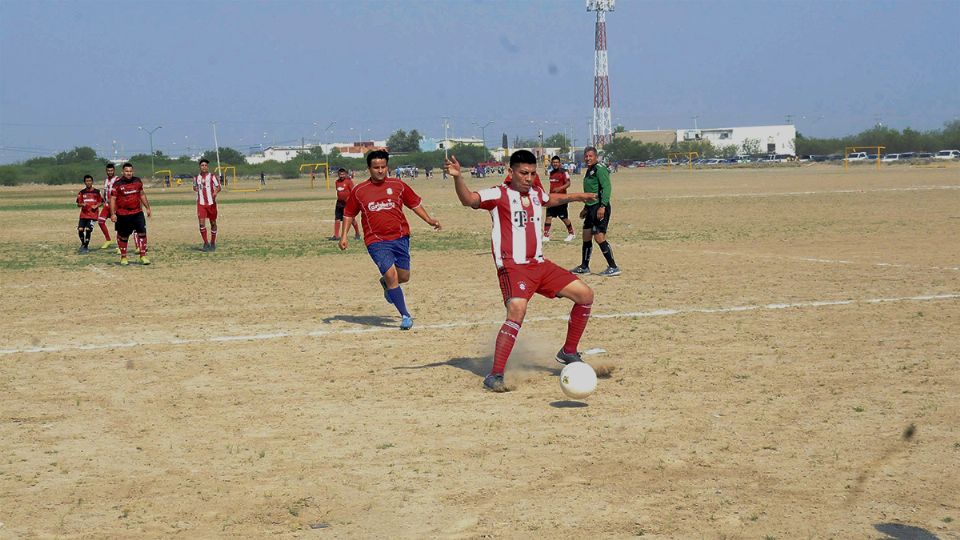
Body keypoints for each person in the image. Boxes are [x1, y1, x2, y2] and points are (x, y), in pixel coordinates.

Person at [446, 150, 597, 393]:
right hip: (513, 267)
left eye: (532, 173)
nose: (528, 178)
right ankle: (495, 375)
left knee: (585, 295)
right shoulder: (499, 194)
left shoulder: (536, 193)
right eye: (523, 173)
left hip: (540, 265)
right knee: (517, 310)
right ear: (511, 171)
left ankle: (568, 351)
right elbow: (469, 200)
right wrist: (457, 178)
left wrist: (579, 197)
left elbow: (550, 199)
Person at [339, 150, 441, 330]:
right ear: (369, 168)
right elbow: (348, 213)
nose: (380, 170)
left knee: (404, 276)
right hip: (376, 241)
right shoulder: (360, 191)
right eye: (376, 167)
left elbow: (414, 204)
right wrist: (344, 235)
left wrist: (429, 220)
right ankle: (405, 315)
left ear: (388, 167)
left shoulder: (398, 185)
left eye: (383, 167)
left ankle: (387, 285)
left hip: (400, 237)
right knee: (392, 275)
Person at [571, 146, 620, 276]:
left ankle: (613, 267)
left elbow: (606, 188)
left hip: (599, 207)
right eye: (586, 156)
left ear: (596, 157)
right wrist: (586, 208)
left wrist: (602, 206)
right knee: (586, 235)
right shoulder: (589, 170)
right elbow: (590, 192)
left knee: (599, 236)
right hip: (591, 207)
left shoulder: (600, 169)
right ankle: (584, 266)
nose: (588, 158)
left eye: (590, 156)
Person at [109, 163, 152, 266]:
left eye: (130, 171)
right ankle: (123, 257)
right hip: (123, 214)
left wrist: (148, 208)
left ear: (133, 171)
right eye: (126, 171)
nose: (129, 173)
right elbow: (113, 199)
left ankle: (143, 256)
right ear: (123, 172)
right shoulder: (117, 184)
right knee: (124, 236)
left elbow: (141, 194)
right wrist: (112, 214)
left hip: (137, 212)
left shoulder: (137, 181)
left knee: (142, 233)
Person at [543, 155, 577, 243]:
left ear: (559, 163)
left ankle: (571, 233)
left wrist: (560, 188)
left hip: (561, 199)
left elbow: (568, 183)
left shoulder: (564, 172)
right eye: (554, 162)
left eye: (557, 162)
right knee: (548, 216)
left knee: (564, 218)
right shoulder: (551, 173)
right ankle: (546, 235)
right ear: (552, 163)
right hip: (552, 198)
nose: (555, 164)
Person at [194, 158, 221, 251]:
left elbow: (218, 187)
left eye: (205, 165)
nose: (204, 167)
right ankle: (206, 243)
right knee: (201, 224)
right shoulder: (196, 178)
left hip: (211, 203)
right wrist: (197, 190)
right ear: (200, 167)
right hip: (201, 204)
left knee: (213, 223)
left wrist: (215, 192)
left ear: (207, 167)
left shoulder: (212, 176)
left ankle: (213, 242)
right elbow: (194, 187)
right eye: (202, 165)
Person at [330, 168, 361, 241]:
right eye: (340, 174)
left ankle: (357, 233)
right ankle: (336, 236)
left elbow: (353, 191)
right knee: (337, 218)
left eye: (343, 174)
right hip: (339, 203)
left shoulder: (348, 181)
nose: (342, 176)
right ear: (338, 174)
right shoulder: (337, 182)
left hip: (348, 204)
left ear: (346, 174)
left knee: (352, 219)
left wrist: (351, 201)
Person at [76, 174, 103, 253]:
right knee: (80, 229)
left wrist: (96, 205)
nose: (88, 182)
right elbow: (78, 204)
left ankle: (86, 247)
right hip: (83, 215)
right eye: (87, 181)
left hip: (92, 215)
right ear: (84, 182)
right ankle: (83, 244)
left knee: (88, 229)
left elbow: (102, 202)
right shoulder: (82, 192)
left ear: (92, 182)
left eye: (90, 181)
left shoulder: (97, 192)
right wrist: (82, 204)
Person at [96, 163, 120, 250]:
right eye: (108, 170)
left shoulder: (117, 179)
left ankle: (120, 245)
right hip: (106, 205)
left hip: (115, 205)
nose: (110, 172)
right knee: (100, 221)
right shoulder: (106, 180)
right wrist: (102, 199)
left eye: (111, 170)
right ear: (106, 171)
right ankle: (108, 240)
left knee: (119, 226)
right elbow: (106, 192)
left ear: (114, 171)